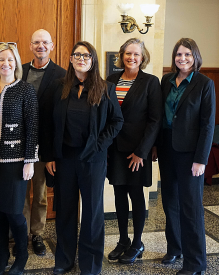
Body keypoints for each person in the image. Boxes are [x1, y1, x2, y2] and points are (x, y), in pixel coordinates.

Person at [45, 41, 123, 275]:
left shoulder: (105, 88)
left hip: (92, 159)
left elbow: (116, 121)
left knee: (92, 213)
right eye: (76, 55)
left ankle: (90, 264)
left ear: (93, 60)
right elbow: (48, 123)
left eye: (86, 55)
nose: (81, 58)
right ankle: (65, 259)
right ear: (70, 59)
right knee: (66, 210)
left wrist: (100, 144)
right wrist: (49, 155)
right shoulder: (58, 87)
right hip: (64, 158)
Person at [0, 42, 39, 275]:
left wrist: (30, 160)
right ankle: (2, 255)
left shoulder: (25, 90)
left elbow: (32, 127)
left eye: (10, 59)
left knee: (13, 211)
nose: (6, 63)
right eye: (1, 59)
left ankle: (21, 255)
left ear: (16, 63)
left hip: (15, 162)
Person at [156, 38, 215, 275]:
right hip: (167, 148)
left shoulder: (204, 83)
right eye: (179, 55)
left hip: (191, 154)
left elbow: (207, 124)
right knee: (170, 202)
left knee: (191, 207)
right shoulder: (166, 80)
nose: (182, 59)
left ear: (195, 57)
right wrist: (154, 146)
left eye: (187, 55)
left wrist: (201, 159)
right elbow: (160, 117)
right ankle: (175, 248)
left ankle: (196, 263)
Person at [106, 38, 162, 264]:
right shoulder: (111, 79)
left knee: (136, 195)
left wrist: (142, 151)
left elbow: (155, 120)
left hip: (138, 151)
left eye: (136, 54)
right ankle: (123, 240)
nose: (131, 58)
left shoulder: (150, 82)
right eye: (128, 53)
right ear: (122, 55)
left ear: (143, 57)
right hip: (115, 148)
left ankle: (138, 242)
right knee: (119, 193)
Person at [20, 29, 66, 256]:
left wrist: (52, 152)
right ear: (30, 46)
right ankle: (20, 232)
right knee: (19, 191)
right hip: (17, 143)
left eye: (45, 42)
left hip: (42, 145)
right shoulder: (20, 70)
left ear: (52, 46)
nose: (41, 46)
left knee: (38, 193)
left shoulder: (62, 74)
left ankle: (37, 234)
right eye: (36, 42)